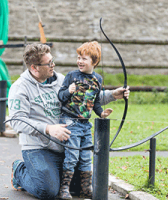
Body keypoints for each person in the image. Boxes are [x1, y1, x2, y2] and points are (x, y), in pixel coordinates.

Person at [8, 43, 129, 199]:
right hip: (38, 148)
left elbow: (86, 99)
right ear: (34, 68)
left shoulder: (62, 80)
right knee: (48, 190)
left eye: (53, 60)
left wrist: (113, 95)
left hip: (66, 145)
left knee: (81, 187)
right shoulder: (20, 88)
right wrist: (48, 128)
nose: (54, 65)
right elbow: (16, 121)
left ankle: (53, 174)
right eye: (49, 63)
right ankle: (19, 170)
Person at [57, 41, 112, 199]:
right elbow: (60, 96)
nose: (79, 61)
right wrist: (68, 90)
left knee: (87, 157)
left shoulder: (98, 79)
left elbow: (95, 102)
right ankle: (64, 189)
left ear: (94, 62)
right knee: (72, 156)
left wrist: (101, 113)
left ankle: (85, 189)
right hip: (70, 121)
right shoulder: (72, 76)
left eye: (84, 58)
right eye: (78, 57)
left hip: (85, 125)